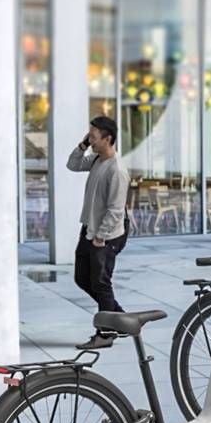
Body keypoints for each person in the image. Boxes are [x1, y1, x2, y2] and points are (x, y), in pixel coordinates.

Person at [68, 115, 130, 349]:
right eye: (89, 136)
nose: (90, 140)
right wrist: (82, 146)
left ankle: (105, 333)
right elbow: (73, 165)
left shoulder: (117, 170)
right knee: (82, 278)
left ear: (108, 138)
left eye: (93, 137)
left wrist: (101, 236)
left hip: (106, 235)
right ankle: (119, 318)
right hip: (90, 229)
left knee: (101, 283)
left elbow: (115, 209)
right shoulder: (96, 159)